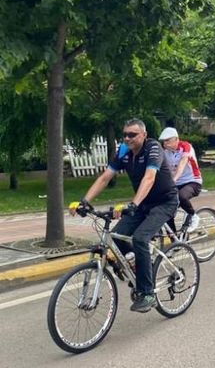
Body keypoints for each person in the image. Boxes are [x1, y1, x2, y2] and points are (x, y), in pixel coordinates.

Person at [70, 119, 178, 313]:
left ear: (143, 135)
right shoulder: (123, 151)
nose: (128, 138)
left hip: (164, 202)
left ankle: (147, 293)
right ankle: (140, 265)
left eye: (132, 134)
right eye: (125, 134)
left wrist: (133, 204)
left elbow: (149, 177)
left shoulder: (153, 148)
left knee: (140, 238)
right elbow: (105, 177)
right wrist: (84, 201)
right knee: (117, 237)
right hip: (142, 203)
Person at [158, 127, 203, 233]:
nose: (165, 143)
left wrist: (174, 179)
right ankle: (175, 241)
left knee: (181, 196)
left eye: (168, 140)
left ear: (176, 139)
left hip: (193, 182)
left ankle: (193, 216)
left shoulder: (186, 146)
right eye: (164, 141)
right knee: (167, 210)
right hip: (176, 184)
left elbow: (182, 163)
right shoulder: (165, 152)